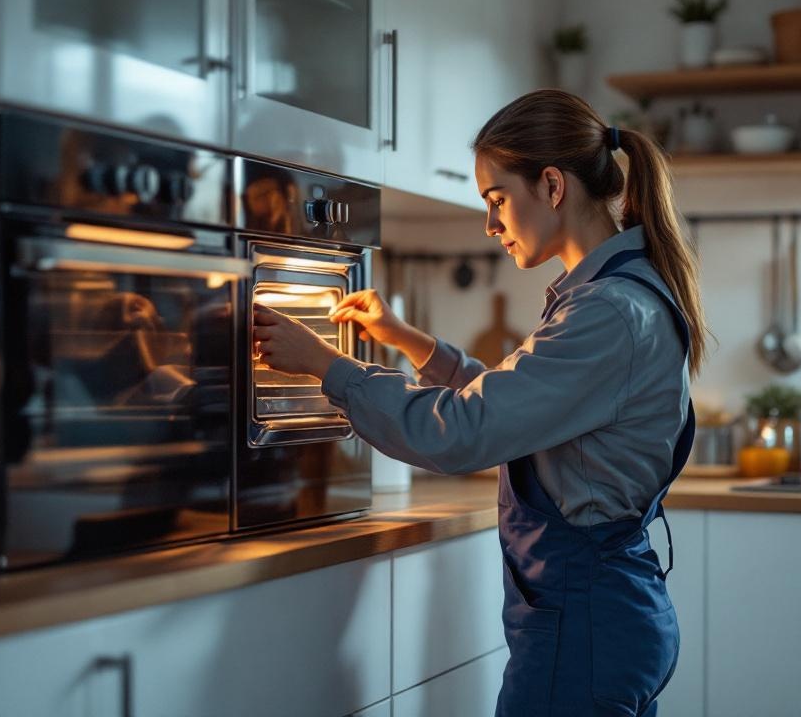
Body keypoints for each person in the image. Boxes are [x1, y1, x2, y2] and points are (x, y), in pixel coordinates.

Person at [252, 88, 708, 717]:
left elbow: (463, 433)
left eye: (497, 200)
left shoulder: (603, 310)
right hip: (603, 614)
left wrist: (329, 367)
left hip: (585, 620)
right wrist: (408, 340)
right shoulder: (615, 293)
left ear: (552, 186)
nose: (490, 225)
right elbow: (520, 405)